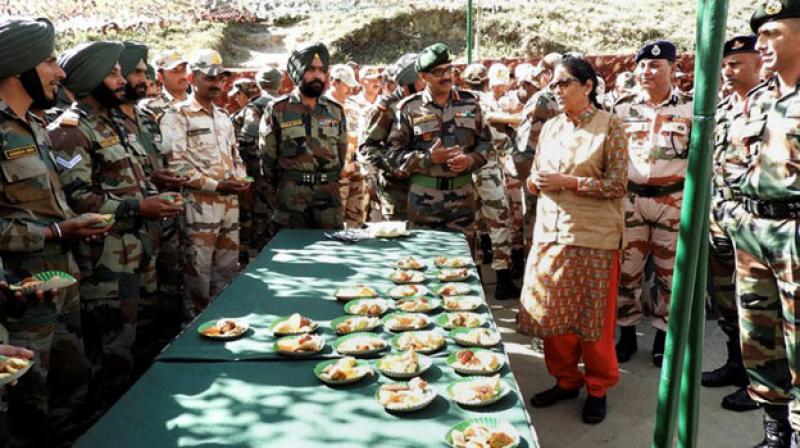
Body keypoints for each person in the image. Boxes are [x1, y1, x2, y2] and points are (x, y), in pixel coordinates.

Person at [49, 40, 183, 416]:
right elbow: (79, 202)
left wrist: (153, 181)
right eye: (113, 73)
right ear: (92, 79)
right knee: (112, 357)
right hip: (107, 265)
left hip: (140, 253)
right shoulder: (71, 131)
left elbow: (118, 178)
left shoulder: (114, 124)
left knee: (143, 344)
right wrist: (140, 205)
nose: (122, 80)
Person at [0, 18, 112, 447]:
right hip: (20, 298)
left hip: (62, 283)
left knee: (71, 389)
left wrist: (68, 232)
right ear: (18, 68)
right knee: (30, 406)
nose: (61, 72)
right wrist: (54, 232)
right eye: (49, 61)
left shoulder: (33, 124)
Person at [519, 55, 628, 425]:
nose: (557, 90)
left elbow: (617, 184)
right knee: (553, 317)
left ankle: (598, 388)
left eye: (564, 83)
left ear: (587, 86)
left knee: (592, 321)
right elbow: (535, 175)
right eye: (554, 84)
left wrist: (571, 183)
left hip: (594, 238)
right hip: (551, 234)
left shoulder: (609, 126)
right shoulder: (550, 128)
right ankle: (565, 380)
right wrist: (535, 183)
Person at [732, 2, 800, 445]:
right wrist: (731, 214)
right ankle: (775, 431)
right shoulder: (758, 97)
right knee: (759, 338)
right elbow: (731, 161)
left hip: (796, 233)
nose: (761, 44)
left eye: (772, 32)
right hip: (753, 233)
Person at [613, 40, 693, 367]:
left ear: (672, 68)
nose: (647, 72)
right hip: (631, 201)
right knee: (626, 272)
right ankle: (627, 334)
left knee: (669, 275)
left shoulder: (690, 108)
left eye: (656, 66)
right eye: (642, 66)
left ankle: (663, 338)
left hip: (672, 201)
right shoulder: (621, 108)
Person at [112, 41, 189, 362]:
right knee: (131, 329)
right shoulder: (104, 123)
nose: (145, 79)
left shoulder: (144, 119)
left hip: (163, 228)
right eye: (137, 73)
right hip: (127, 240)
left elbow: (147, 168)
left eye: (146, 73)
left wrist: (162, 178)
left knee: (167, 307)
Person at [160, 49, 249, 315]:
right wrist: (216, 185)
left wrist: (240, 177)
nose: (215, 83)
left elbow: (235, 157)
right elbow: (176, 165)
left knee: (227, 275)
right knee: (197, 280)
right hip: (199, 208)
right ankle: (192, 339)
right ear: (192, 78)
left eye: (220, 77)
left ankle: (224, 328)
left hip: (229, 206)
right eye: (208, 77)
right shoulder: (177, 115)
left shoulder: (223, 117)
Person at [702, 35, 762, 413]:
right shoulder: (724, 109)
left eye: (737, 63)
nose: (728, 70)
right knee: (726, 300)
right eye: (725, 64)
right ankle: (737, 365)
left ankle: (762, 383)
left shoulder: (775, 106)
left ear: (760, 64)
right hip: (721, 221)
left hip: (756, 225)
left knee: (757, 307)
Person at [387, 43, 491, 243]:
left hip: (463, 199)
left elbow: (486, 143)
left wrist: (470, 160)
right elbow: (393, 156)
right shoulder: (409, 108)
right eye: (438, 72)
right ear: (424, 77)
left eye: (449, 70)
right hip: (424, 201)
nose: (446, 76)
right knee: (425, 259)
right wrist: (427, 158)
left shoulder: (470, 103)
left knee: (463, 260)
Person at [258, 42, 347, 232]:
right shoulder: (278, 109)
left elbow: (341, 152)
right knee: (292, 252)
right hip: (292, 197)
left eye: (321, 70)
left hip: (329, 195)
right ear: (298, 72)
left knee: (332, 250)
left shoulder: (335, 111)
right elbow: (267, 158)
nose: (317, 75)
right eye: (311, 69)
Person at [359, 53, 425, 221]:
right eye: (422, 77)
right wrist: (393, 167)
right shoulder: (387, 108)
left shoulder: (427, 103)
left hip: (426, 188)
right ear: (410, 80)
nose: (426, 81)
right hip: (397, 190)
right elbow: (367, 147)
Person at [514, 53, 561, 268]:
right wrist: (532, 185)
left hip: (566, 184)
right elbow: (523, 151)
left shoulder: (548, 97)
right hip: (542, 183)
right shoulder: (542, 99)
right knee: (535, 232)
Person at [240, 66, 283, 255]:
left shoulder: (255, 106)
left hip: (261, 173)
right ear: (280, 84)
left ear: (259, 84)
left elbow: (247, 139)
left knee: (261, 216)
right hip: (284, 171)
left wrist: (250, 171)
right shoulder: (287, 105)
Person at [139, 49, 189, 118]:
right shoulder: (150, 107)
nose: (183, 76)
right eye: (175, 70)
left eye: (184, 69)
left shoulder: (200, 102)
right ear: (160, 77)